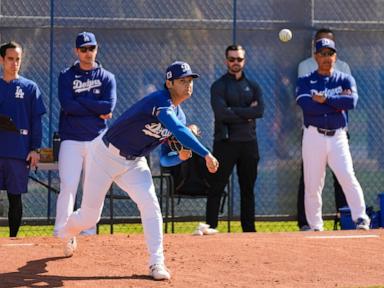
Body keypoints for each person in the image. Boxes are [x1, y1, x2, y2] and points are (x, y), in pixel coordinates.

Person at [58, 61, 219, 280]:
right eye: (182, 81)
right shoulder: (159, 100)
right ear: (169, 82)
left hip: (134, 162)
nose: (188, 84)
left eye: (190, 81)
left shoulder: (179, 115)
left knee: (151, 205)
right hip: (104, 155)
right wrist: (206, 153)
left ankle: (156, 262)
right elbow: (179, 130)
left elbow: (165, 158)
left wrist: (179, 156)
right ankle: (67, 232)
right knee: (89, 217)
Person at [295, 38, 370, 231]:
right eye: (323, 54)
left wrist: (325, 99)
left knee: (347, 175)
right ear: (316, 57)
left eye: (330, 53)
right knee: (313, 183)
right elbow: (307, 106)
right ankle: (315, 225)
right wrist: (336, 104)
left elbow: (351, 102)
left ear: (335, 56)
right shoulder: (305, 80)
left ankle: (361, 218)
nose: (327, 57)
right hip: (313, 135)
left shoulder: (345, 79)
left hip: (338, 136)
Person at [53, 32, 117, 242]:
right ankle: (61, 230)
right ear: (76, 51)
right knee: (68, 185)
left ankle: (88, 232)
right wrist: (94, 106)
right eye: (83, 49)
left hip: (97, 139)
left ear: (96, 49)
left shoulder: (107, 77)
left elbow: (108, 106)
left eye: (91, 48)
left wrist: (81, 101)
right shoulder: (66, 75)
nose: (88, 53)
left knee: (91, 187)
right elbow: (67, 105)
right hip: (71, 139)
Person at [205, 44, 264, 233]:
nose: (235, 63)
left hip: (248, 143)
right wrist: (246, 113)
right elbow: (221, 113)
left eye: (239, 59)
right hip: (225, 143)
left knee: (247, 189)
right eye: (232, 59)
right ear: (226, 61)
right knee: (216, 187)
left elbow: (259, 111)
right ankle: (211, 227)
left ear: (244, 61)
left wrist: (235, 112)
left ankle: (249, 230)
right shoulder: (219, 86)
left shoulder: (253, 86)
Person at [297, 28, 349, 231]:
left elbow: (347, 98)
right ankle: (305, 222)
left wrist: (328, 99)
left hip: (339, 130)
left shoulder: (343, 67)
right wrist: (332, 100)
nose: (325, 47)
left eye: (329, 43)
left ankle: (346, 219)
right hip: (312, 131)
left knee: (343, 175)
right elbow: (309, 98)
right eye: (320, 43)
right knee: (309, 179)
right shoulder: (305, 66)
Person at [0, 41, 46, 237]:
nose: (14, 63)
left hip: (18, 152)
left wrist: (34, 149)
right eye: (10, 59)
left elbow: (36, 121)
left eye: (17, 59)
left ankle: (12, 240)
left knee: (15, 198)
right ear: (1, 60)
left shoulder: (30, 88)